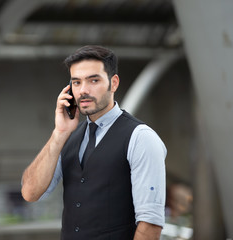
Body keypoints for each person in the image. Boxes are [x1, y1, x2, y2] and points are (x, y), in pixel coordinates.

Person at [21, 45, 166, 240]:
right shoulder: (68, 138)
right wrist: (59, 134)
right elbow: (30, 193)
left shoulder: (141, 138)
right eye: (76, 82)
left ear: (113, 83)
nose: (83, 91)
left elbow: (150, 225)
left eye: (93, 80)